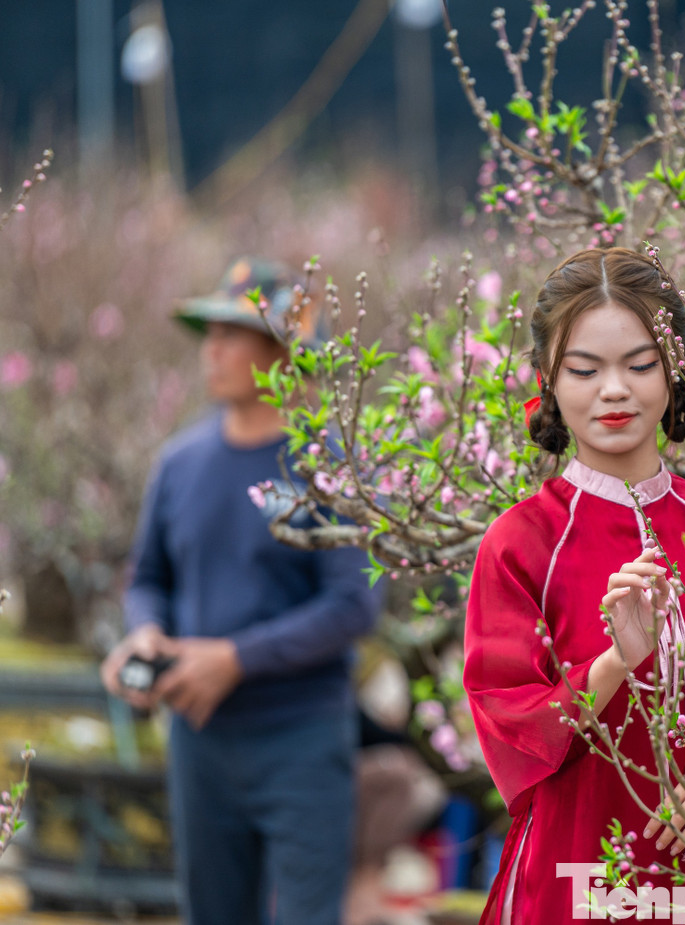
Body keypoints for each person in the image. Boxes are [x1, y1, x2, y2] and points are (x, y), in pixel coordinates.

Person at [461, 248, 685, 924]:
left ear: (676, 372)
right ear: (548, 378)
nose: (615, 390)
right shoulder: (521, 543)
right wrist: (612, 663)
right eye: (585, 369)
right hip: (572, 884)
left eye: (640, 364)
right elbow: (511, 723)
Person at [99, 257, 381, 925]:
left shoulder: (327, 465)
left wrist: (233, 659)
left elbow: (352, 605)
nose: (214, 348)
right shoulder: (180, 463)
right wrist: (146, 632)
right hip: (201, 742)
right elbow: (149, 579)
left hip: (302, 741)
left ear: (285, 351)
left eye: (234, 331)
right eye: (210, 332)